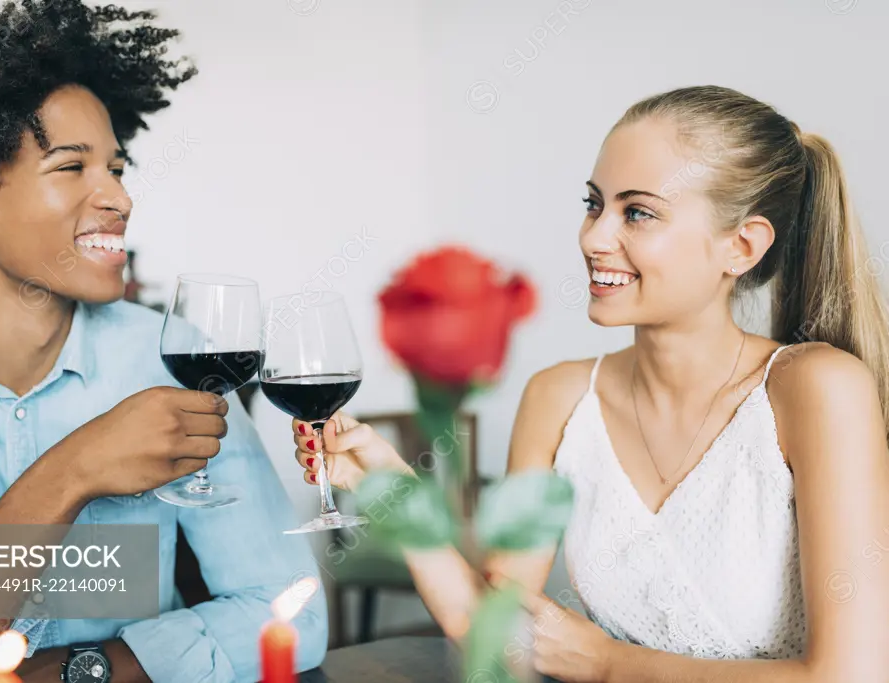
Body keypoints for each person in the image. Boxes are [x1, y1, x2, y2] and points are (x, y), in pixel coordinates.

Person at [293, 86, 889, 681]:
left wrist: (609, 665)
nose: (593, 238)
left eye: (638, 212)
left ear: (742, 246)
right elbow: (501, 636)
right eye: (594, 204)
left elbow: (850, 675)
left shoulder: (815, 388)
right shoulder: (559, 398)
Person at [0, 1, 325, 681]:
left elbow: (290, 616)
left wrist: (83, 668)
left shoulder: (169, 355)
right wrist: (73, 470)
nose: (119, 197)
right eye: (71, 167)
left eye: (115, 166)